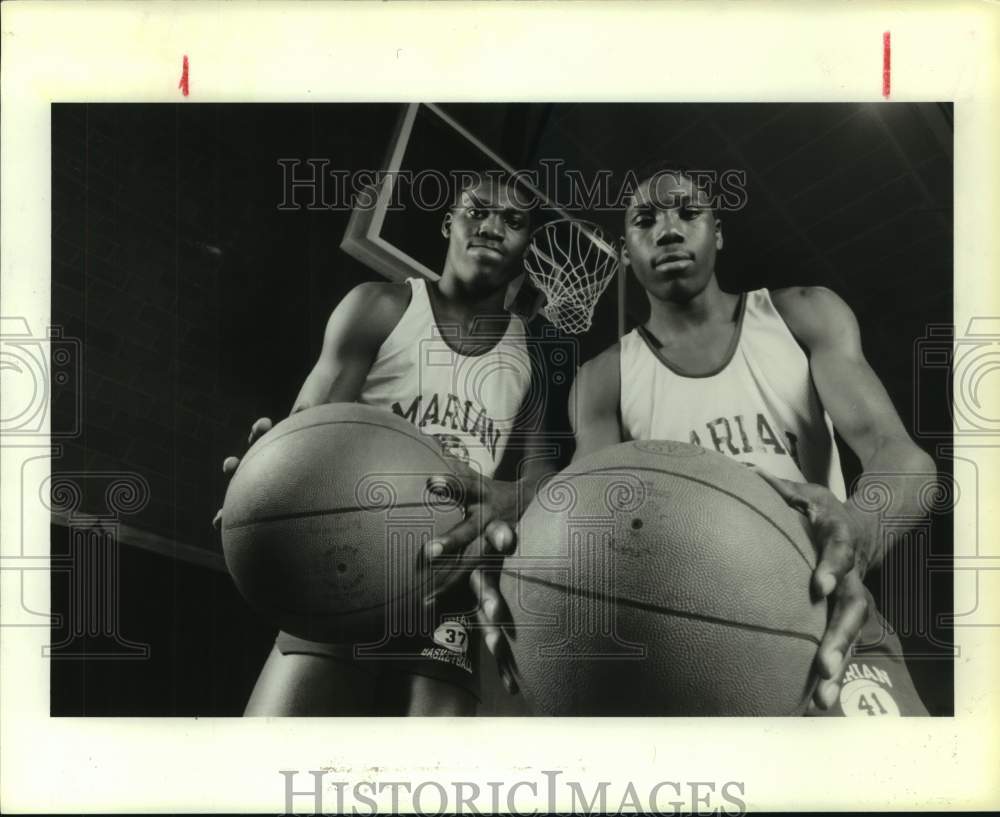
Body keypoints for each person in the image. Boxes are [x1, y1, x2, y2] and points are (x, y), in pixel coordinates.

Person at [450, 162, 938, 715]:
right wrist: (528, 546)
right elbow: (586, 511)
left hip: (824, 609)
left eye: (688, 212)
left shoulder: (802, 314)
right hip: (691, 642)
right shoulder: (605, 378)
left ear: (718, 232)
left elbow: (901, 456)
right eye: (645, 220)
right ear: (625, 250)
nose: (669, 230)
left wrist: (863, 524)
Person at [214, 173, 557, 715]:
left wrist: (512, 497)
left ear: (525, 249)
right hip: (345, 557)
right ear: (449, 223)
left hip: (447, 583)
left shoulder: (535, 360)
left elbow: (545, 482)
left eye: (514, 222)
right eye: (477, 211)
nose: (492, 227)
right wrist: (269, 475)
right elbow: (308, 427)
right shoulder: (380, 306)